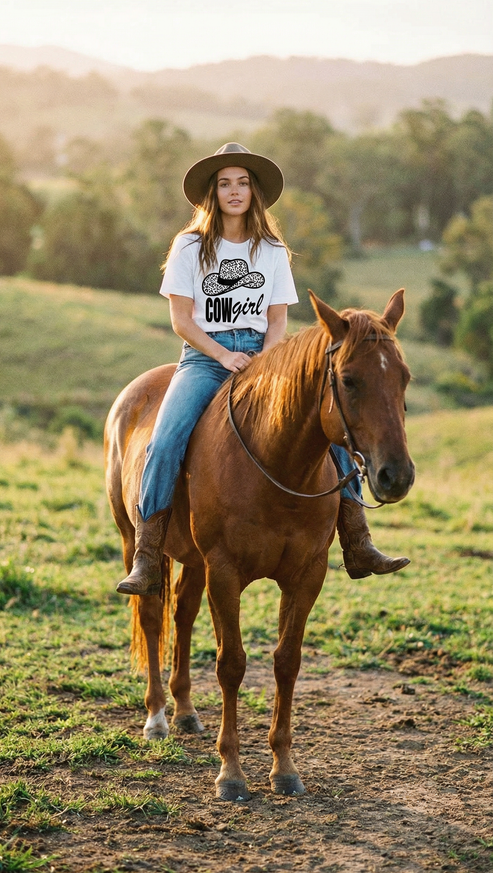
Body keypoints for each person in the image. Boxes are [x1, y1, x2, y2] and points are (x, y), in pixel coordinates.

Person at [116, 143, 409, 596]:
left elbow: (277, 320)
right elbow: (181, 320)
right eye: (225, 184)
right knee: (166, 438)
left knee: (326, 427)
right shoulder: (190, 246)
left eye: (243, 183)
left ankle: (357, 539)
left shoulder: (271, 249)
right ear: (212, 193)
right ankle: (148, 554)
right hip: (203, 359)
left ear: (255, 192)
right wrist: (223, 356)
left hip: (262, 354)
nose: (235, 192)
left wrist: (267, 362)